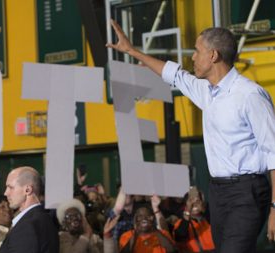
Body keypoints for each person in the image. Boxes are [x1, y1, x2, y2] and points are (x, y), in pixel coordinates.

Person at [107, 20, 275, 253]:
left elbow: (273, 152)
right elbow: (173, 74)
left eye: (197, 51)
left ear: (214, 55)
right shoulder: (206, 91)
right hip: (218, 191)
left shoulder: (250, 95)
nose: (193, 57)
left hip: (247, 191)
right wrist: (132, 51)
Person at [0, 166, 59, 253]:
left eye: (10, 187)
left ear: (28, 190)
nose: (5, 193)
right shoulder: (46, 219)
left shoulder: (27, 226)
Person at [173, 187, 214, 253]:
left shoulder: (209, 218)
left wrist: (202, 208)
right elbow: (180, 236)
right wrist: (188, 210)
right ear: (186, 205)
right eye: (191, 201)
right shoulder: (180, 223)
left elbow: (217, 225)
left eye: (197, 201)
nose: (194, 204)